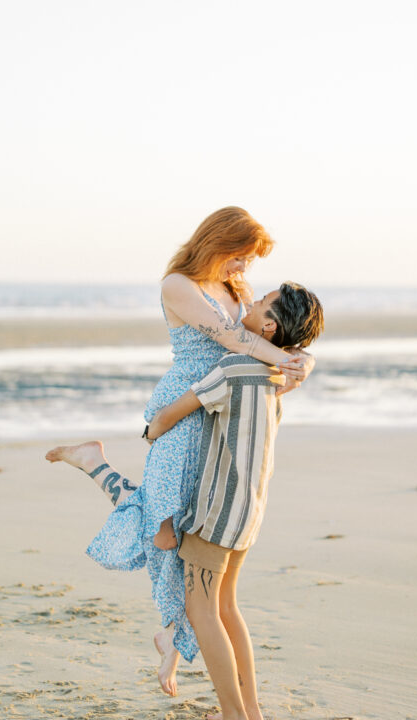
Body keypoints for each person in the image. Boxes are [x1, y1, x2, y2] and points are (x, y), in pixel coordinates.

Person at [45, 207, 314, 695]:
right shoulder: (178, 285)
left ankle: (172, 633)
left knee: (187, 534)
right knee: (163, 528)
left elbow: (266, 333)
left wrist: (302, 360)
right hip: (183, 410)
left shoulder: (240, 291)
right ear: (218, 243)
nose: (244, 270)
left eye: (250, 263)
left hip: (220, 413)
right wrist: (288, 361)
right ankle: (93, 463)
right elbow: (233, 337)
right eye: (240, 258)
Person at [146, 283, 325, 720]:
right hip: (250, 512)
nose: (250, 302)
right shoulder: (275, 374)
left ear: (268, 326)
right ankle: (251, 711)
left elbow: (172, 413)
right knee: (226, 607)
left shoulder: (234, 368)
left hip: (217, 511)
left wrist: (150, 432)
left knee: (201, 608)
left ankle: (234, 715)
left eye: (261, 303)